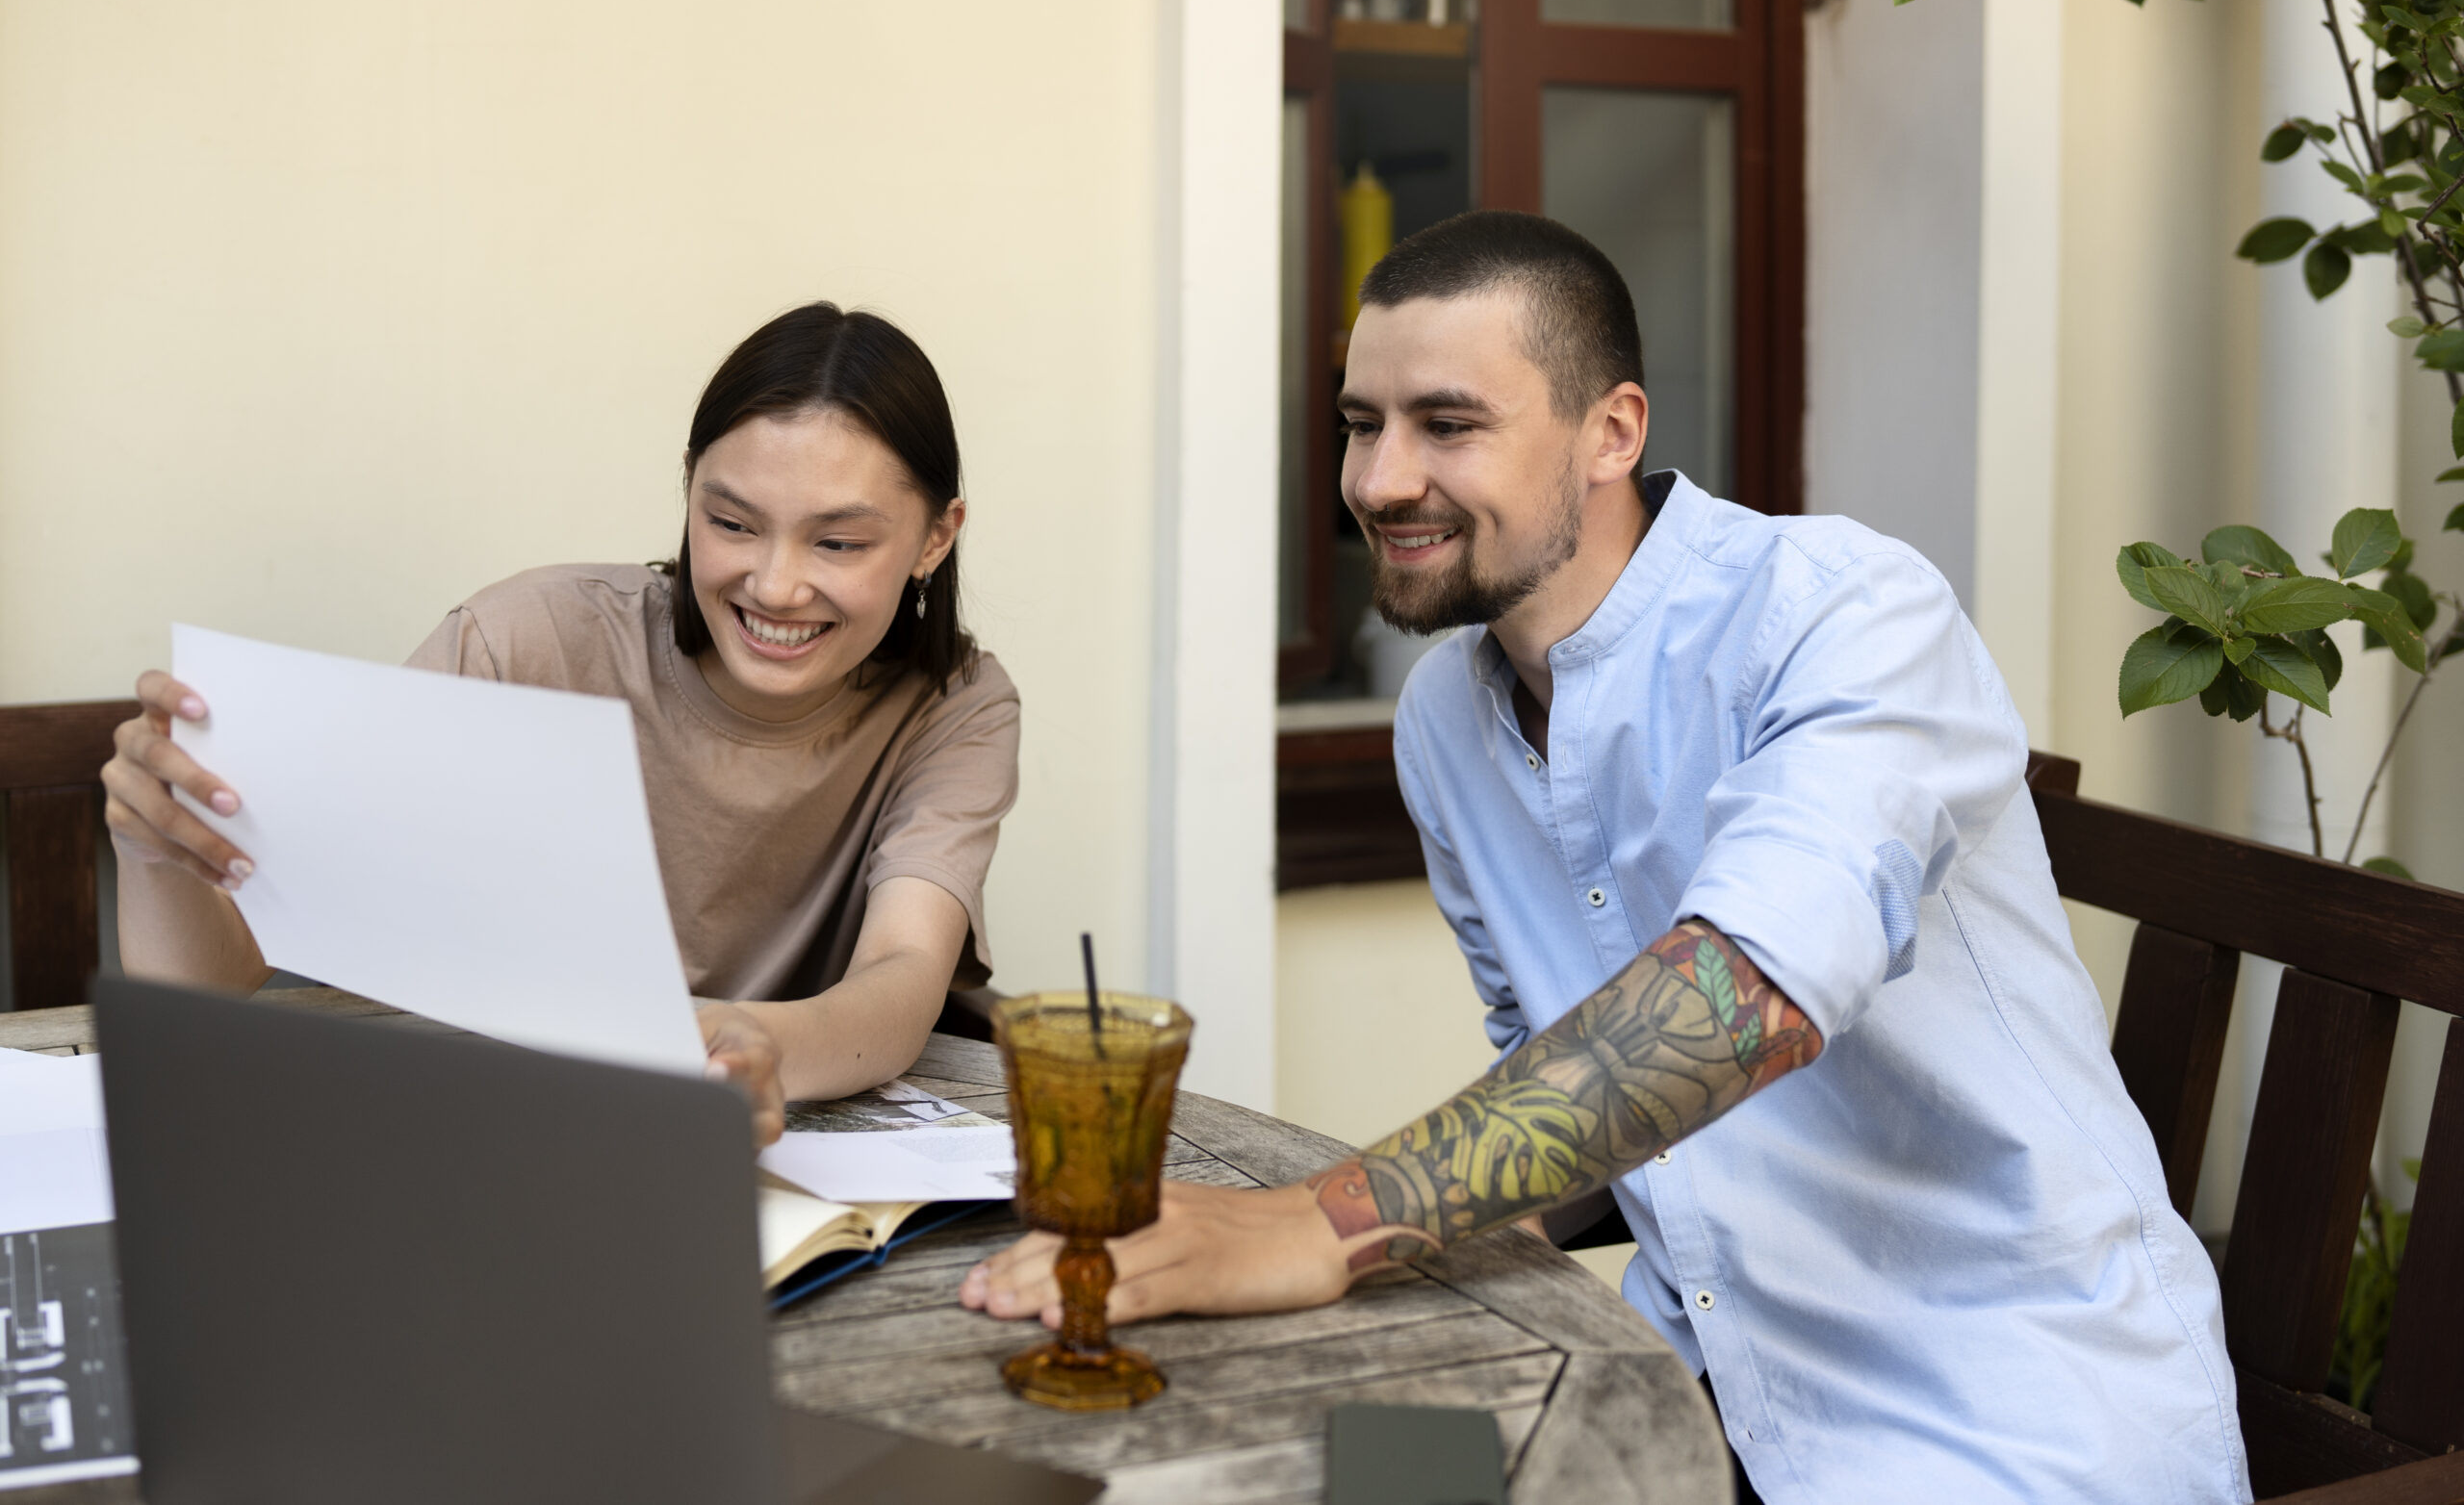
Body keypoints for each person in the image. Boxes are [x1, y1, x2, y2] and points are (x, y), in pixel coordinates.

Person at [963, 215, 2247, 1504]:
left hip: (2010, 1417)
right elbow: (1573, 1108)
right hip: (1697, 1396)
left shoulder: (1842, 609)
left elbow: (1743, 992)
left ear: (1612, 432)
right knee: (1286, 1473)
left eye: (1448, 424)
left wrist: (1319, 1223)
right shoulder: (1444, 718)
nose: (1380, 479)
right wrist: (1247, 1247)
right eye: (1362, 423)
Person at [101, 302, 1020, 1146]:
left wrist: (746, 1046)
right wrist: (153, 849)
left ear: (937, 537)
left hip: (748, 1153)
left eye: (838, 543)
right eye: (732, 521)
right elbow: (211, 983)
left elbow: (902, 974)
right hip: (472, 1134)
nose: (775, 585)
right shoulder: (524, 644)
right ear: (689, 491)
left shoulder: (957, 708)